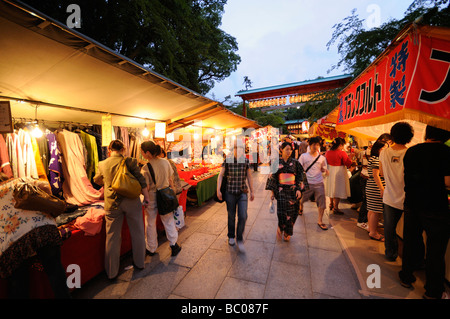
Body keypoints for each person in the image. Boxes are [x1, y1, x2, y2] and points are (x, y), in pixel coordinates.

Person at [0, 173, 71, 298]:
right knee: (55, 271)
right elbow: (44, 186)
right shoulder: (18, 181)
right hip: (43, 229)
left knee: (19, 283)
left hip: (12, 243)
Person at [402, 125, 450, 299]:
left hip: (412, 203)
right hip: (435, 207)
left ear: (427, 133)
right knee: (435, 250)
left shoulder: (412, 151)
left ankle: (406, 277)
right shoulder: (446, 152)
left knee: (410, 241)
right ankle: (433, 291)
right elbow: (448, 181)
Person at [93, 140, 149, 279]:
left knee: (112, 236)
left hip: (112, 203)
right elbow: (141, 180)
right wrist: (146, 197)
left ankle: (111, 272)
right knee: (137, 232)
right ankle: (140, 263)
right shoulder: (130, 161)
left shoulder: (102, 164)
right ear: (123, 149)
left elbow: (97, 180)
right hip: (131, 201)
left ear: (109, 150)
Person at [379, 122, 414, 262]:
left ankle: (391, 253)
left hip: (389, 197)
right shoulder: (411, 152)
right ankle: (411, 259)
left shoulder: (384, 152)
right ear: (409, 137)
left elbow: (381, 172)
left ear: (392, 135)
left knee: (389, 228)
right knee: (411, 231)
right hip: (408, 198)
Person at [140, 141, 182, 257]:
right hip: (165, 195)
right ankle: (174, 245)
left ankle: (151, 248)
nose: (141, 154)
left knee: (150, 223)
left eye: (142, 152)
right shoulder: (165, 162)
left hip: (152, 197)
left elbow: (146, 187)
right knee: (168, 220)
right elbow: (170, 180)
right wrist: (172, 192)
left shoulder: (145, 168)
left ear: (147, 152)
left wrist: (144, 196)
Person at [217, 144, 254, 253]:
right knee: (231, 215)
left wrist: (252, 190)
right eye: (236, 148)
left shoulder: (246, 161)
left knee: (243, 215)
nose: (238, 150)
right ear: (233, 150)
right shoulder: (227, 160)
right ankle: (231, 236)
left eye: (240, 148)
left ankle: (239, 238)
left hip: (242, 192)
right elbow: (220, 175)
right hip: (230, 193)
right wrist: (218, 189)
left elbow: (249, 177)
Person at [265, 142, 304, 241]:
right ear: (281, 150)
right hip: (281, 190)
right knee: (282, 212)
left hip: (293, 190)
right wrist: (272, 192)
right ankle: (281, 227)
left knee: (293, 212)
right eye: (287, 149)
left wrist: (299, 189)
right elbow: (273, 177)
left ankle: (287, 231)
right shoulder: (276, 163)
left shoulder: (295, 162)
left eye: (290, 149)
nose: (289, 151)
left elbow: (301, 176)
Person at [299, 137, 329, 230]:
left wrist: (325, 170)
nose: (315, 146)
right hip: (307, 183)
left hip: (319, 183)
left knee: (322, 203)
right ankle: (301, 207)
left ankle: (320, 220)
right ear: (310, 145)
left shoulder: (322, 158)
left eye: (317, 145)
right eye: (313, 145)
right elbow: (299, 169)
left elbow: (323, 168)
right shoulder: (304, 156)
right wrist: (300, 182)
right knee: (302, 199)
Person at [365, 140, 388, 241]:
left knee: (371, 209)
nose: (387, 149)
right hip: (375, 186)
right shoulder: (376, 159)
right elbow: (376, 174)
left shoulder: (373, 158)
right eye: (385, 147)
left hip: (372, 185)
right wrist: (381, 188)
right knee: (375, 210)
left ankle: (371, 228)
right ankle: (373, 233)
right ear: (379, 149)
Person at [325, 137, 354, 214]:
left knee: (331, 187)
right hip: (339, 172)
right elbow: (347, 163)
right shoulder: (342, 153)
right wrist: (350, 158)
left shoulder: (328, 152)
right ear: (340, 145)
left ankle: (331, 204)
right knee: (338, 189)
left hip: (330, 170)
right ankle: (336, 207)